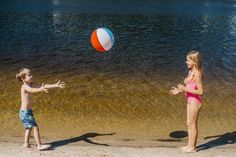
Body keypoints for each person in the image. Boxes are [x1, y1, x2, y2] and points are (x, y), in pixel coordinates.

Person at [16, 68, 65, 150]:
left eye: (31, 74)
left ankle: (26, 144)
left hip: (26, 112)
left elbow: (44, 85)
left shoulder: (31, 84)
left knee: (29, 128)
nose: (31, 76)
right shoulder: (24, 86)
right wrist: (41, 90)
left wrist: (55, 85)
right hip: (25, 112)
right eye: (29, 75)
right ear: (23, 78)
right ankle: (39, 145)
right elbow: (32, 90)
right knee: (35, 127)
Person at [170, 51, 204, 152]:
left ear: (194, 62)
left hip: (195, 102)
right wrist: (178, 90)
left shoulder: (197, 74)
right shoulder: (190, 72)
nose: (186, 62)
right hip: (190, 101)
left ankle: (193, 148)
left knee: (192, 124)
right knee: (189, 123)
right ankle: (189, 145)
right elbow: (189, 87)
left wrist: (185, 89)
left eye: (188, 60)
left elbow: (201, 91)